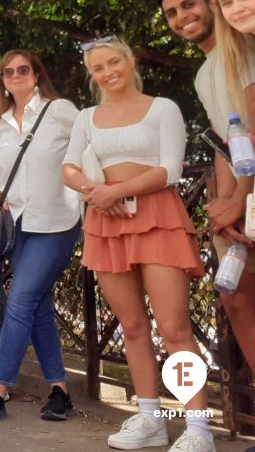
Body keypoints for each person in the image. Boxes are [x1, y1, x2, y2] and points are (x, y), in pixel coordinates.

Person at [63, 37, 211, 452]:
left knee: (175, 328)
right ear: (91, 75)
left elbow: (169, 168)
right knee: (131, 327)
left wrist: (118, 190)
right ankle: (150, 419)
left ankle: (198, 428)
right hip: (106, 221)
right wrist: (96, 192)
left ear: (130, 61)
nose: (108, 71)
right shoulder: (87, 117)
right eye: (98, 67)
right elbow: (69, 167)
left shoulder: (163, 107)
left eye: (114, 62)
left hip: (157, 216)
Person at [0, 50, 80, 424]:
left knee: (21, 299)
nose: (15, 75)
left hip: (58, 221)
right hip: (17, 224)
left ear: (36, 74)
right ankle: (60, 391)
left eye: (23, 69)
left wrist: (91, 198)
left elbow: (88, 152)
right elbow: (1, 175)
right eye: (8, 71)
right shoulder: (1, 125)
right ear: (2, 79)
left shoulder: (61, 110)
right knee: (39, 308)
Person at [159, 0, 255, 370]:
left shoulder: (243, 48)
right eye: (171, 14)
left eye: (188, 5)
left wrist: (239, 200)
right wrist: (220, 204)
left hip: (248, 196)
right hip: (237, 199)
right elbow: (225, 141)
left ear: (211, 5)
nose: (182, 17)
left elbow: (252, 127)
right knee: (237, 297)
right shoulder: (203, 72)